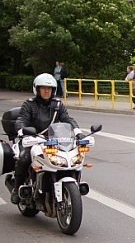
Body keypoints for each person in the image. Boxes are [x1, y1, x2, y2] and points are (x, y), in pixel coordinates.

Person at [10, 73, 82, 204]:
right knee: (24, 157)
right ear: (37, 89)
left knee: (71, 158)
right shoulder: (29, 104)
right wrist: (22, 131)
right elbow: (21, 120)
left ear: (54, 90)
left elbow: (67, 119)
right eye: (43, 88)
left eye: (49, 88)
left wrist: (77, 132)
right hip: (31, 139)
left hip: (52, 140)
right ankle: (16, 188)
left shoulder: (58, 105)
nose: (46, 91)